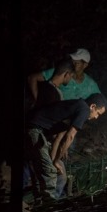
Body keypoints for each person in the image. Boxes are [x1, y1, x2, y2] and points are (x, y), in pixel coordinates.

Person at [25, 93, 107, 203]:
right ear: (92, 107)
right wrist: (54, 162)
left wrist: (55, 160)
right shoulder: (84, 109)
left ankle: (41, 201)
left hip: (37, 131)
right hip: (33, 129)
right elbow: (69, 136)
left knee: (57, 172)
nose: (96, 117)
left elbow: (59, 138)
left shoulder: (75, 108)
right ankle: (49, 205)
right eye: (98, 113)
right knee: (49, 172)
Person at [24, 57, 75, 199]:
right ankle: (48, 208)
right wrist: (55, 153)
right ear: (66, 74)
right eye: (71, 76)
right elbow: (53, 125)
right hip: (40, 138)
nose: (70, 80)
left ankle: (42, 204)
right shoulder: (54, 94)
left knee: (38, 177)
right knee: (55, 175)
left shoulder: (41, 88)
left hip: (32, 135)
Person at [27, 48, 101, 102]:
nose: (73, 64)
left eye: (77, 63)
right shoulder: (61, 72)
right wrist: (38, 100)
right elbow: (32, 78)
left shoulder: (91, 85)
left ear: (85, 65)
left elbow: (100, 101)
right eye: (72, 61)